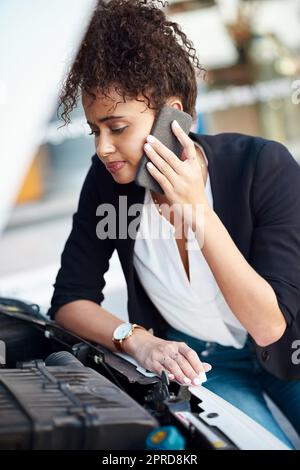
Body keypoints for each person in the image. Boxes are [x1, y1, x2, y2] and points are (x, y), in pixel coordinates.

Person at [48, 0, 300, 447]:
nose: (103, 148)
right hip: (201, 363)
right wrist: (136, 340)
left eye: (117, 127)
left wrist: (197, 212)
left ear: (173, 117)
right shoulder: (111, 187)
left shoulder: (261, 166)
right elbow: (70, 299)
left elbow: (270, 326)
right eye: (95, 131)